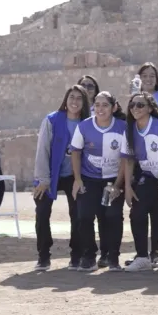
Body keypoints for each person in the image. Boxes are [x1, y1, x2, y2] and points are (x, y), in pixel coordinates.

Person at [32, 85, 91, 271]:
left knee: (78, 214)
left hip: (76, 176)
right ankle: (43, 255)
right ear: (66, 99)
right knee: (42, 212)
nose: (74, 101)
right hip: (50, 174)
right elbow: (43, 150)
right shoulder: (52, 120)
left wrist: (81, 179)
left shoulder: (87, 123)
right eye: (71, 97)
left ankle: (76, 255)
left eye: (79, 98)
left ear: (84, 102)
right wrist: (43, 179)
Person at [69, 91, 126, 272]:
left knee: (112, 216)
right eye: (97, 105)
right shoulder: (84, 126)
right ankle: (88, 256)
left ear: (113, 107)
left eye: (105, 105)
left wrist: (118, 185)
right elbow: (76, 153)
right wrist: (77, 180)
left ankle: (112, 256)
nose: (100, 109)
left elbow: (126, 159)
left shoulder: (123, 127)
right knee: (84, 216)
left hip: (112, 181)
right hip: (89, 179)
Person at [120, 92, 158, 272]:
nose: (135, 108)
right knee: (138, 212)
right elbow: (128, 160)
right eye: (132, 105)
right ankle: (142, 256)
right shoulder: (129, 129)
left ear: (150, 108)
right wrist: (127, 187)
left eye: (140, 105)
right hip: (148, 175)